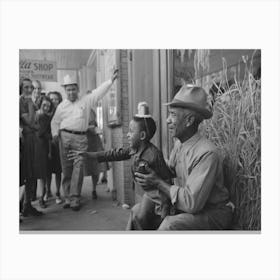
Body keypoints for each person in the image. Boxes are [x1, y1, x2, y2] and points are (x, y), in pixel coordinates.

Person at [134, 85, 234, 230]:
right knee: (138, 211)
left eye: (173, 115)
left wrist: (157, 182)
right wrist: (150, 164)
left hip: (211, 213)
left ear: (189, 121)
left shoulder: (207, 153)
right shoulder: (179, 145)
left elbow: (191, 203)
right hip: (189, 207)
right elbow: (170, 172)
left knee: (170, 225)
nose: (167, 120)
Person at [68, 102, 173, 229]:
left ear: (142, 136)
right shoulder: (133, 150)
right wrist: (88, 155)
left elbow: (167, 181)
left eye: (131, 131)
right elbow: (112, 154)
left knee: (154, 222)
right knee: (137, 217)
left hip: (160, 198)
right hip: (149, 195)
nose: (127, 135)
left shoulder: (154, 155)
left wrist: (165, 211)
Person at [51, 70, 118, 211]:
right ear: (65, 90)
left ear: (78, 89)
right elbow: (55, 122)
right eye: (68, 90)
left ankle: (75, 198)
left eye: (73, 89)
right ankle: (68, 197)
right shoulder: (61, 106)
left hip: (80, 138)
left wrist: (110, 81)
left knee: (78, 167)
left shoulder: (86, 100)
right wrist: (55, 135)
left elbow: (98, 93)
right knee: (66, 167)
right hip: (64, 138)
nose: (71, 92)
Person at [19, 78, 43, 216]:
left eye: (31, 87)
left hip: (33, 140)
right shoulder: (22, 101)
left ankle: (28, 205)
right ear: (21, 87)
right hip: (25, 141)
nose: (29, 90)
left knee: (32, 173)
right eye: (26, 87)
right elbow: (29, 121)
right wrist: (34, 125)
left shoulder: (31, 102)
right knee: (25, 174)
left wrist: (35, 125)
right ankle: (23, 206)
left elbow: (36, 123)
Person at [84, 109, 109, 200]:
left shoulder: (91, 111)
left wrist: (94, 129)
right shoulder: (77, 111)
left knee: (96, 167)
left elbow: (95, 127)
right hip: (83, 142)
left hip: (95, 142)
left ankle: (94, 189)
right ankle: (76, 192)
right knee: (81, 168)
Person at [34, 96, 53, 209]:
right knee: (33, 174)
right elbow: (40, 132)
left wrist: (50, 151)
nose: (46, 108)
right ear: (40, 103)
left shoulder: (46, 117)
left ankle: (41, 197)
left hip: (43, 146)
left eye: (48, 106)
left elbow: (48, 135)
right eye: (44, 105)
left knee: (43, 173)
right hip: (35, 145)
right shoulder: (36, 115)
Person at [46, 91, 63, 204]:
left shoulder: (62, 112)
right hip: (47, 144)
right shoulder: (46, 112)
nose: (54, 101)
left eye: (56, 99)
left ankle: (57, 192)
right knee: (47, 170)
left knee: (58, 170)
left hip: (59, 144)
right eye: (51, 99)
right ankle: (48, 191)